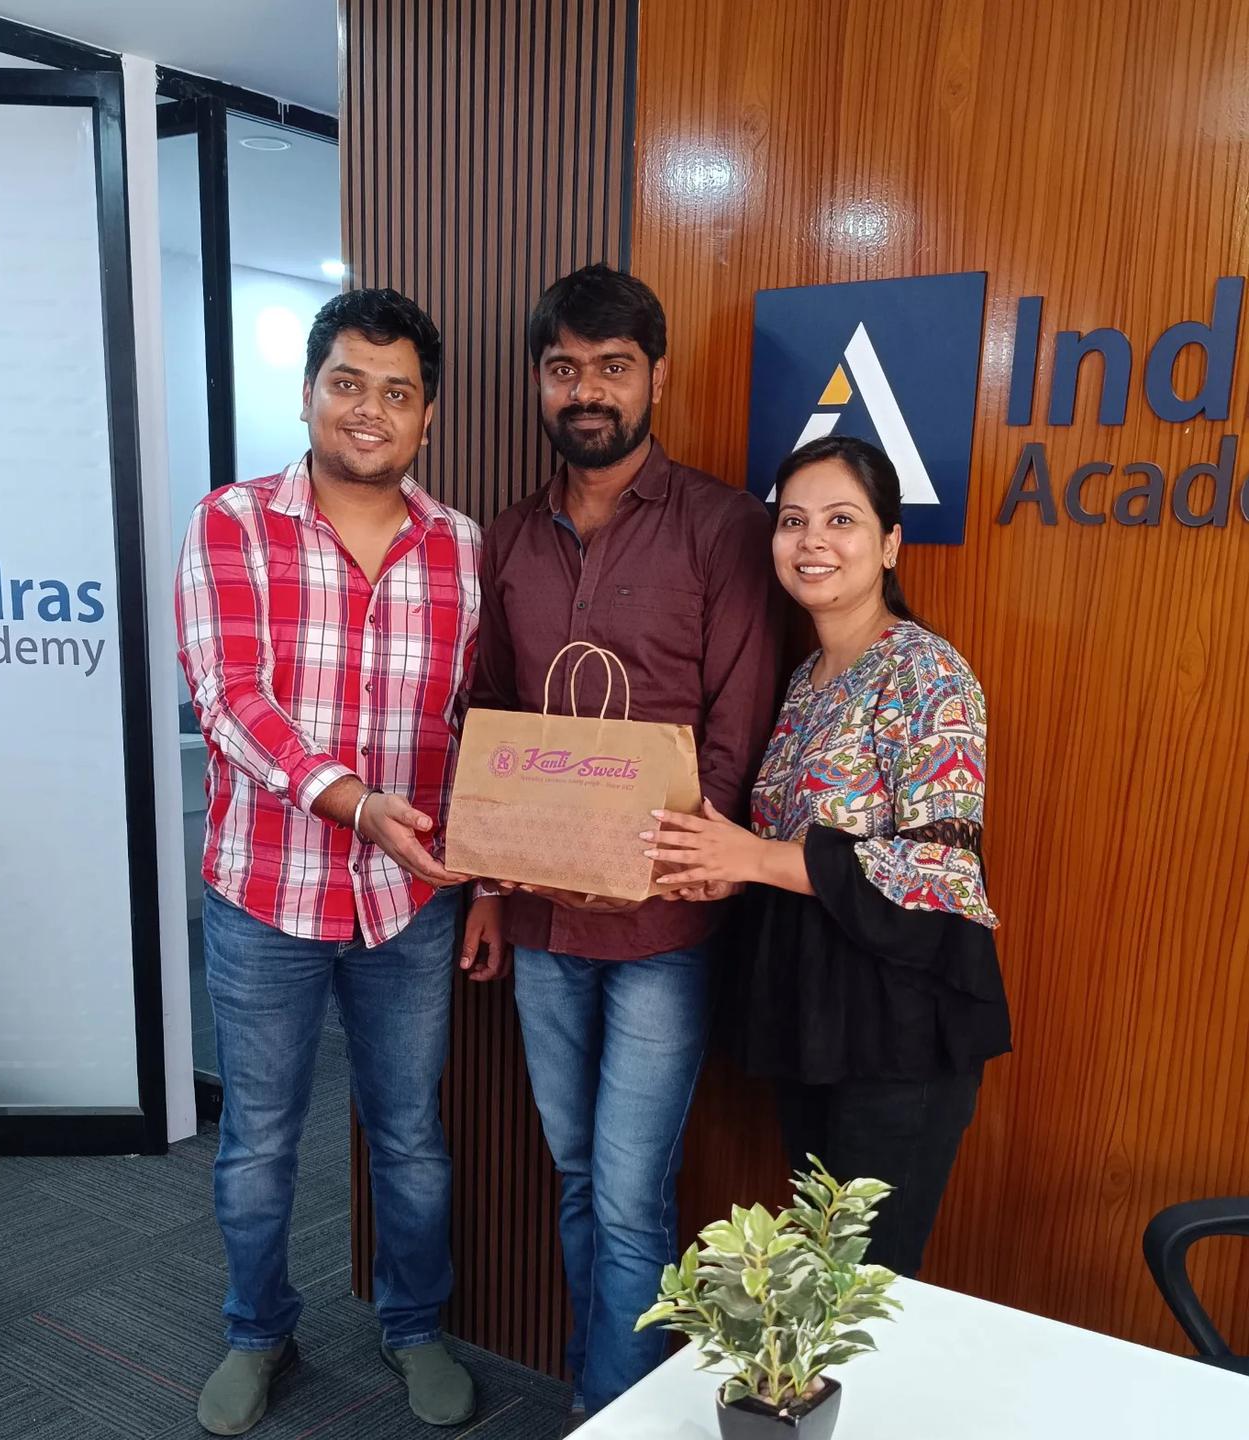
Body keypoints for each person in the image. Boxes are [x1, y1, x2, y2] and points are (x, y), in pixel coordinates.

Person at [176, 288, 506, 1435]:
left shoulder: (461, 546)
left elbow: (478, 728)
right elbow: (229, 697)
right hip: (263, 890)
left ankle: (413, 1326)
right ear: (310, 392)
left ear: (427, 416)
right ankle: (257, 1330)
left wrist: (488, 882)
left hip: (409, 903)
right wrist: (355, 804)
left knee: (408, 1136)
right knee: (260, 1142)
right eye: (348, 384)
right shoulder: (233, 521)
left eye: (397, 392)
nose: (371, 410)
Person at [471, 264, 781, 1424]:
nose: (586, 390)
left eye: (611, 366)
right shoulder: (509, 538)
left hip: (662, 930)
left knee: (626, 1198)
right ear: (539, 383)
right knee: (574, 1175)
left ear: (657, 377)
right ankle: (601, 1392)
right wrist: (489, 891)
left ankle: (608, 1413)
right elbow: (488, 720)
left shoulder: (723, 527)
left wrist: (648, 865)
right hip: (540, 923)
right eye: (564, 369)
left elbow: (737, 730)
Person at [642, 434, 1012, 1278]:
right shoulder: (806, 675)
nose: (811, 540)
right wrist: (723, 866)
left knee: (861, 1283)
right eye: (792, 521)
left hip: (897, 1022)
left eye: (841, 520)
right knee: (819, 1270)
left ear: (889, 543)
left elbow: (939, 869)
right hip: (811, 1009)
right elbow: (787, 849)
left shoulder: (925, 671)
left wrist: (752, 857)